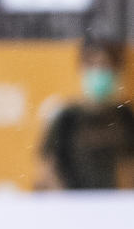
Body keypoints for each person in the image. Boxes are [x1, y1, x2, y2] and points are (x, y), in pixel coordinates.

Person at [35, 37, 134, 189]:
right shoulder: (66, 118)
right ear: (82, 68)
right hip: (75, 205)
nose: (100, 71)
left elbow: (129, 166)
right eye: (93, 64)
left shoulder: (124, 116)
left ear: (116, 70)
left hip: (114, 206)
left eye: (106, 65)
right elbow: (47, 169)